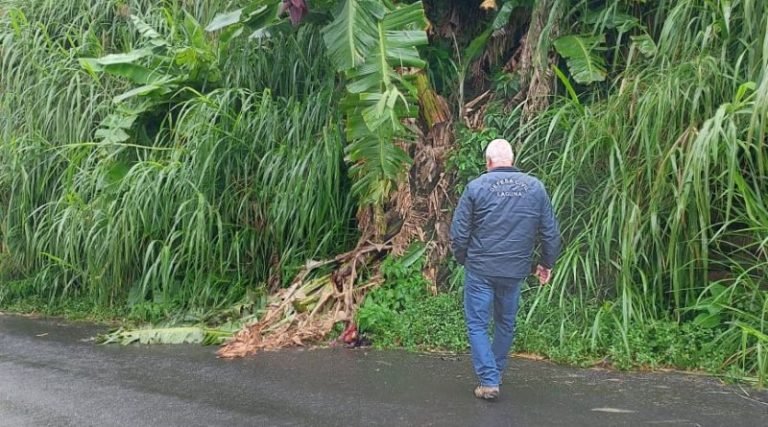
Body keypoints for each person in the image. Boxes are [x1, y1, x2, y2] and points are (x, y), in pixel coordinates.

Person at [450, 138, 560, 400]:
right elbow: (551, 233)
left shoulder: (476, 187)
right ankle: (494, 374)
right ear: (512, 159)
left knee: (477, 323)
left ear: (488, 162)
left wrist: (464, 259)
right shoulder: (535, 187)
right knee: (505, 323)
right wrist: (545, 263)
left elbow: (458, 234)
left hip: (481, 268)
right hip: (514, 270)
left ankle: (489, 380)